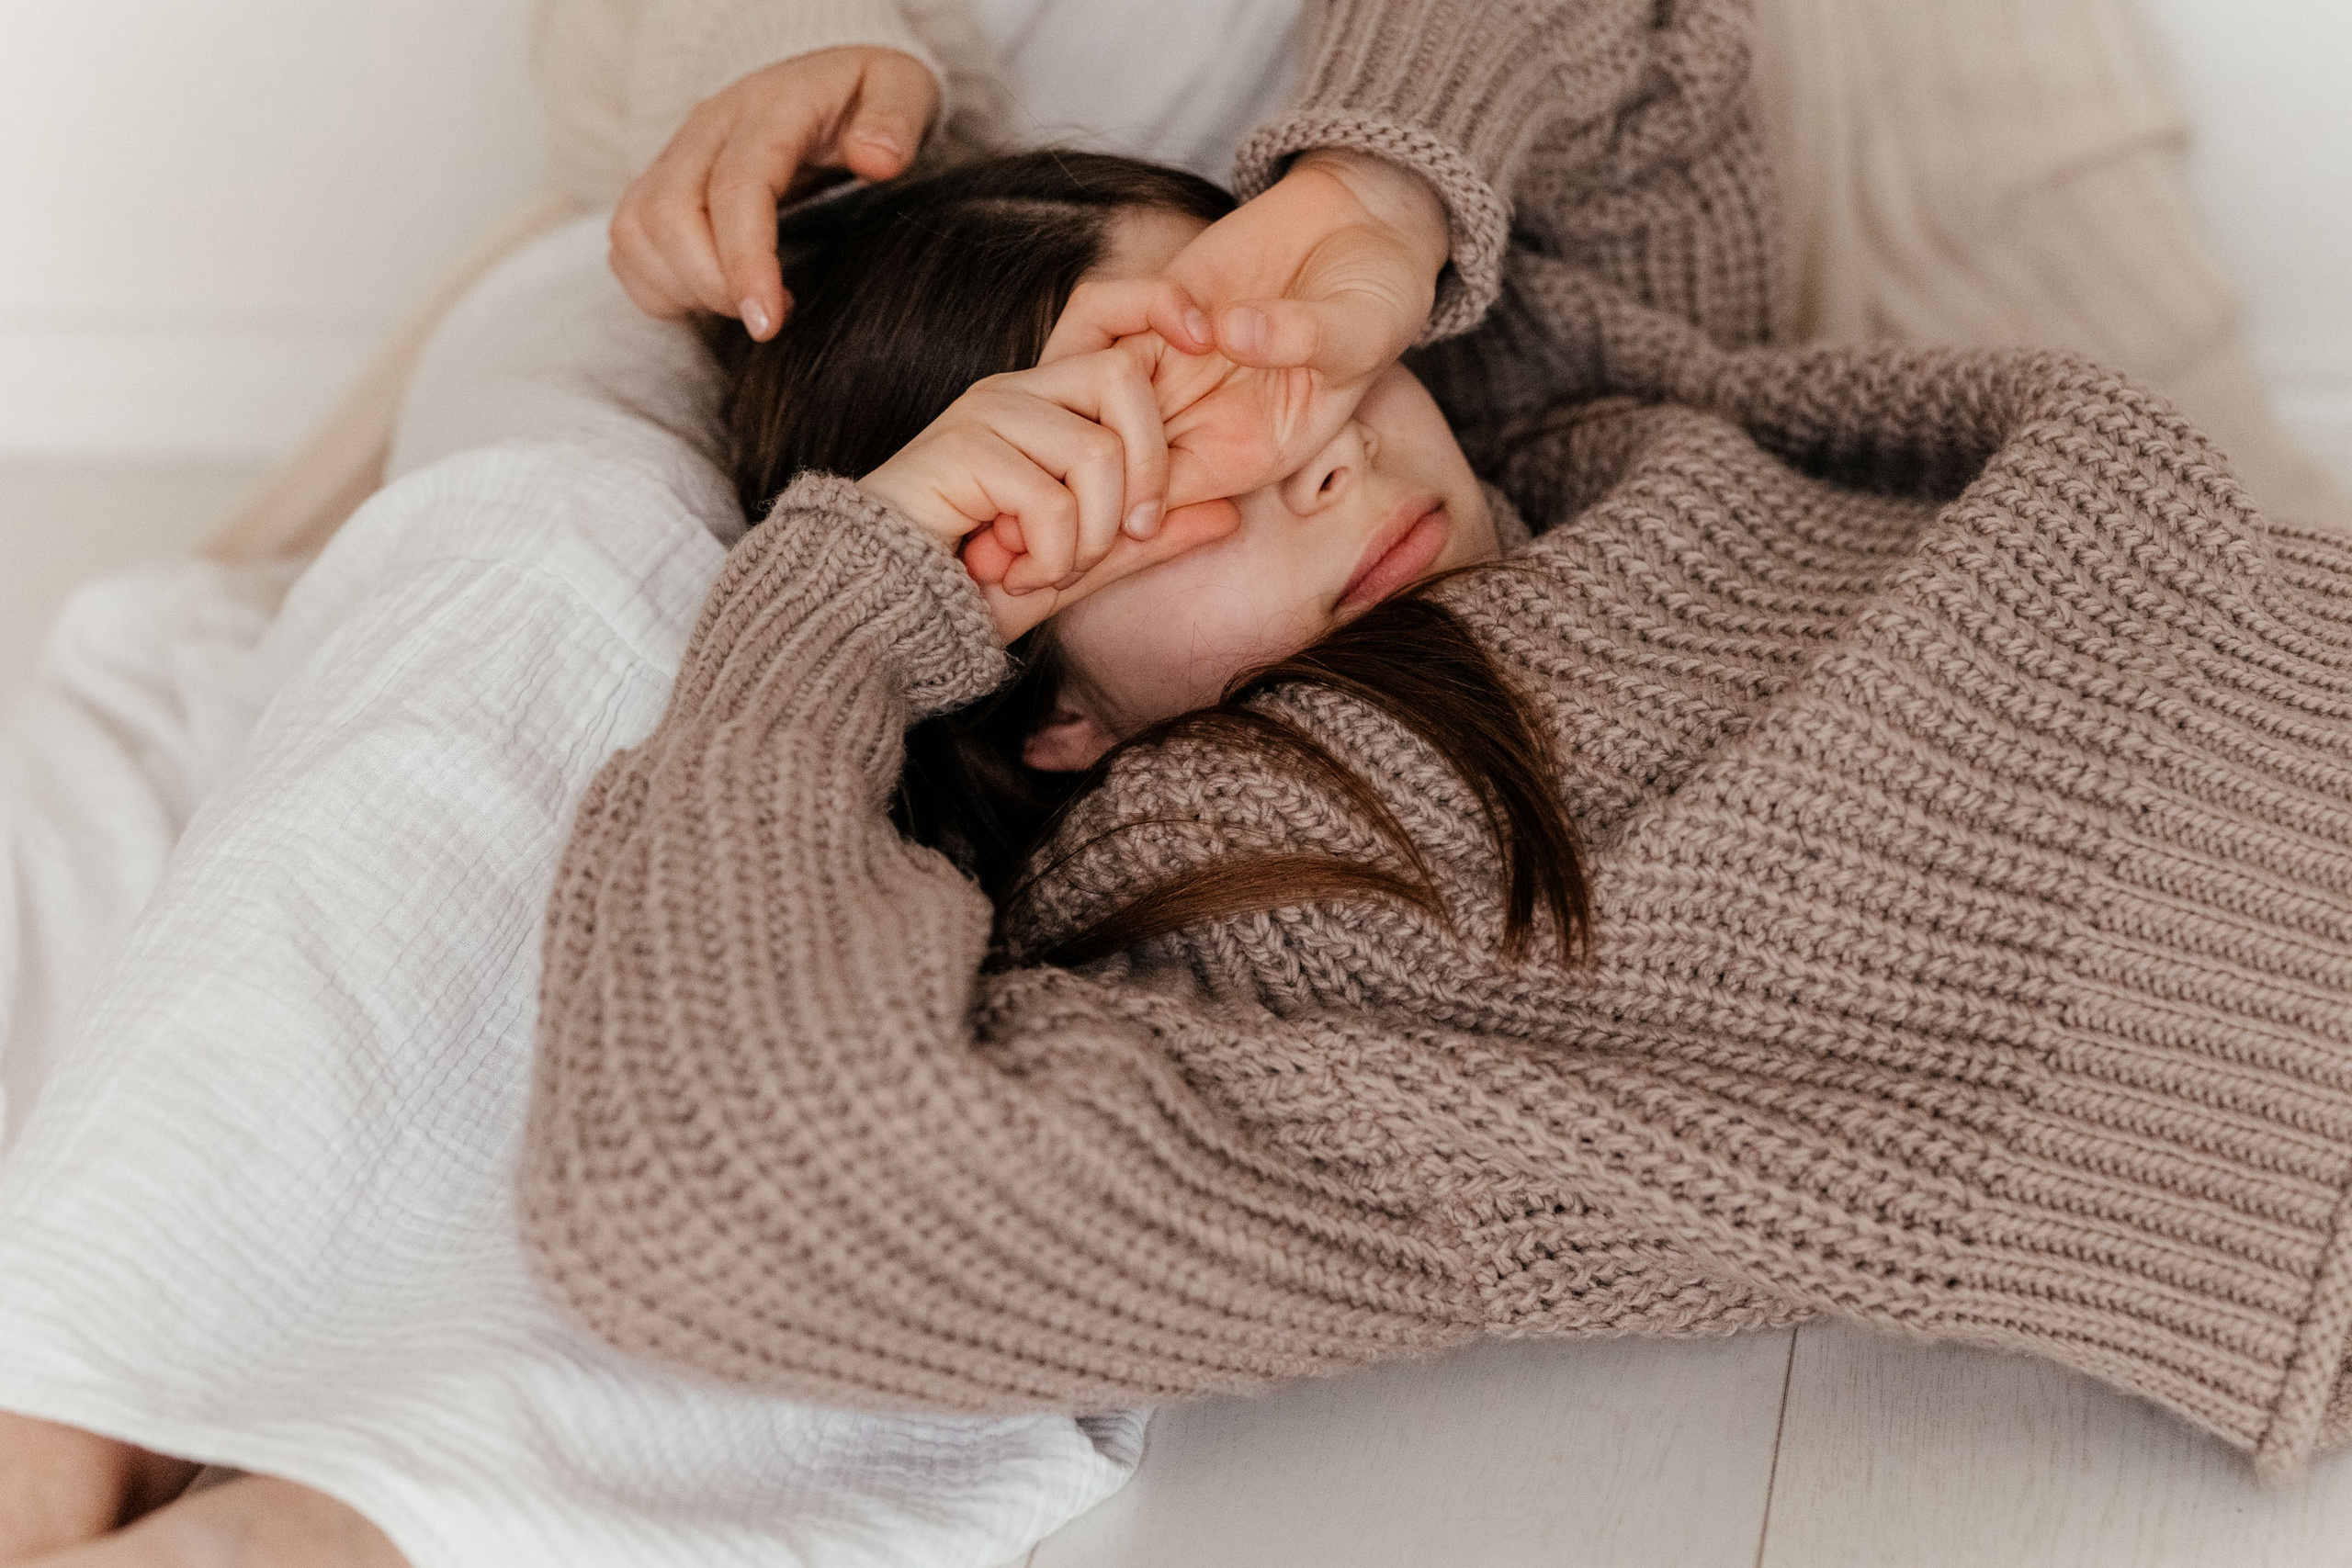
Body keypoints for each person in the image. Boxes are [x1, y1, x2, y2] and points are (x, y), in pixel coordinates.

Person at [519, 4, 2352, 1495]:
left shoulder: (1551, 410)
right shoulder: (1254, 962)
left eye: (1265, 361)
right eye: (1157, 467)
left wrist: (1371, 199)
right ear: (1038, 696)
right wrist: (842, 608)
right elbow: (706, 1210)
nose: (1304, 448)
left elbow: (1630, 43)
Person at [0, 1, 1621, 1564]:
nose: (1304, 453)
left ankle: (326, 1525)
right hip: (794, 303)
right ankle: (55, 1410)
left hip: (1234, 355)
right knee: (574, 555)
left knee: (789, 1045)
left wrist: (1383, 191)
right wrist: (776, 67)